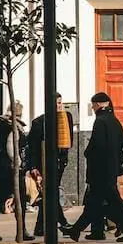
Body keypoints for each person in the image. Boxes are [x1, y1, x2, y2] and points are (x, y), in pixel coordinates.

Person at [68, 92, 123, 242]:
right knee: (94, 203)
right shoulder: (114, 121)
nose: (93, 107)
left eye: (94, 104)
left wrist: (87, 152)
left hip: (100, 171)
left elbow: (98, 146)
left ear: (100, 104)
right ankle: (76, 231)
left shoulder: (100, 121)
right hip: (111, 168)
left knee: (113, 203)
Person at [0, 101, 34, 242]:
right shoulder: (13, 126)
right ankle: (21, 231)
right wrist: (19, 164)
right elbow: (12, 148)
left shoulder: (1, 124)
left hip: (3, 169)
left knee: (0, 199)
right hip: (13, 169)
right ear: (19, 113)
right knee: (21, 199)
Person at [28, 93, 73, 236]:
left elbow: (68, 139)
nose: (59, 106)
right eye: (56, 104)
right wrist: (34, 166)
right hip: (44, 163)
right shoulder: (39, 123)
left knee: (49, 193)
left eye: (60, 103)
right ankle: (61, 222)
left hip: (60, 162)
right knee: (50, 192)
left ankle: (41, 227)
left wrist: (64, 159)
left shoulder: (67, 118)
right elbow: (33, 147)